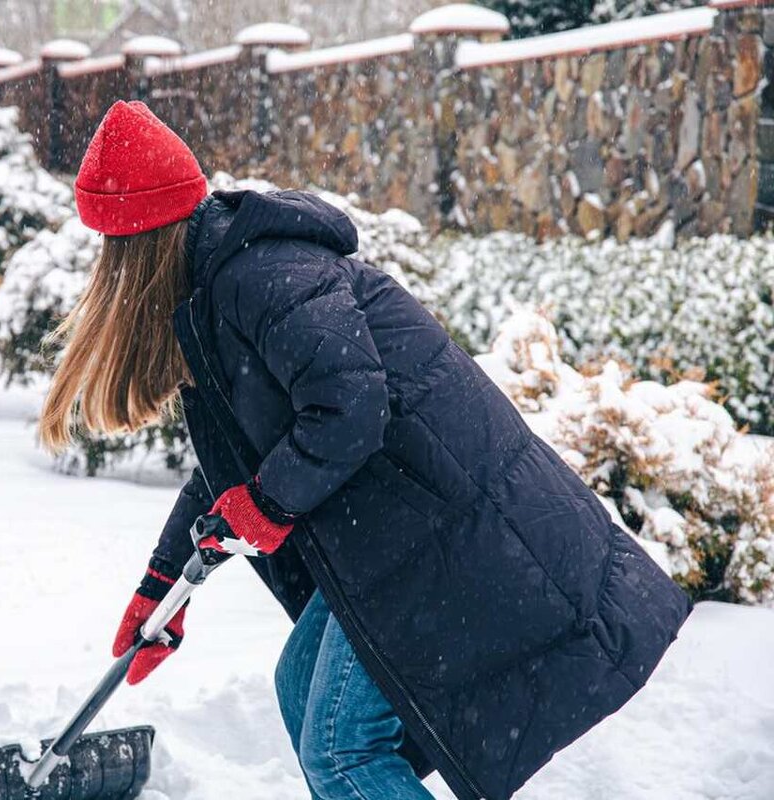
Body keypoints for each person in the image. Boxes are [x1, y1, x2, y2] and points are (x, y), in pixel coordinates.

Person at [39, 100, 691, 800]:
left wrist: (267, 505)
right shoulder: (217, 287)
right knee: (304, 695)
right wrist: (162, 581)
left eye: (110, 251)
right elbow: (235, 463)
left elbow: (350, 406)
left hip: (445, 530)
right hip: (398, 532)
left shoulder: (260, 276)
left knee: (341, 747)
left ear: (138, 245)